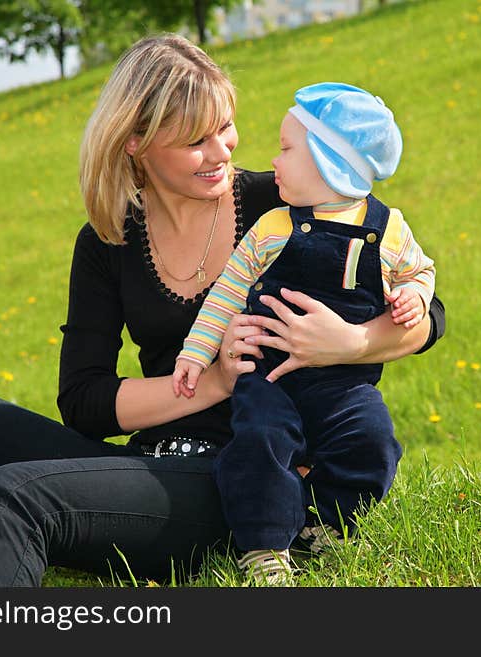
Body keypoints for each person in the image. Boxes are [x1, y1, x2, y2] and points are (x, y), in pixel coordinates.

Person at [0, 33, 445, 588]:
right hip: (148, 466)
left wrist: (352, 344)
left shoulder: (286, 202)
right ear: (136, 142)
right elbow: (84, 402)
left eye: (226, 127)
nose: (222, 152)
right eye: (195, 140)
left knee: (18, 492)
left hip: (244, 478)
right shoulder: (108, 240)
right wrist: (211, 380)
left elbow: (427, 312)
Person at [172, 82, 435, 584]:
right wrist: (196, 352)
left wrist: (413, 296)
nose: (274, 159)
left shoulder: (390, 229)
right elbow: (226, 294)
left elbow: (421, 272)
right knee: (261, 442)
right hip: (267, 375)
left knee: (372, 441)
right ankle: (264, 546)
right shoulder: (274, 226)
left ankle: (327, 526)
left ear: (328, 161)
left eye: (287, 149)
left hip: (345, 381)